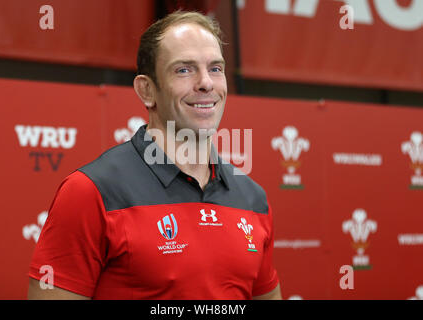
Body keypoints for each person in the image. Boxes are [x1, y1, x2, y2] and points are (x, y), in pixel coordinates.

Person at [27, 10, 282, 300]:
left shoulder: (253, 198)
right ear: (147, 90)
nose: (206, 83)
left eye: (215, 68)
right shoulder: (91, 192)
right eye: (184, 70)